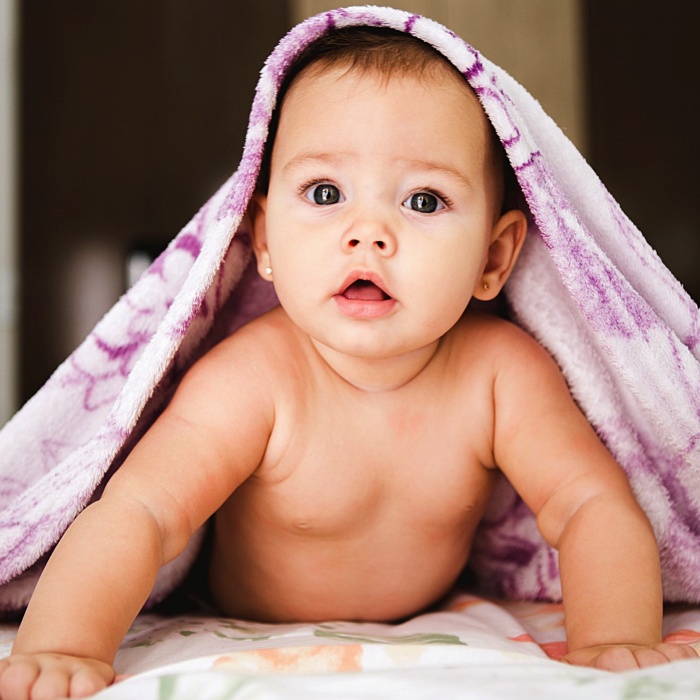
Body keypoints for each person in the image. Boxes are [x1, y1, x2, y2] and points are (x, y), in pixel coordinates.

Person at [1, 24, 697, 700]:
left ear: (492, 257)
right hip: (240, 607)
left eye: (424, 200)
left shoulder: (501, 375)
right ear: (264, 239)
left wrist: (613, 639)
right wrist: (64, 645)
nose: (368, 233)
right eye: (326, 193)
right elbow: (144, 512)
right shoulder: (254, 379)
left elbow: (589, 504)